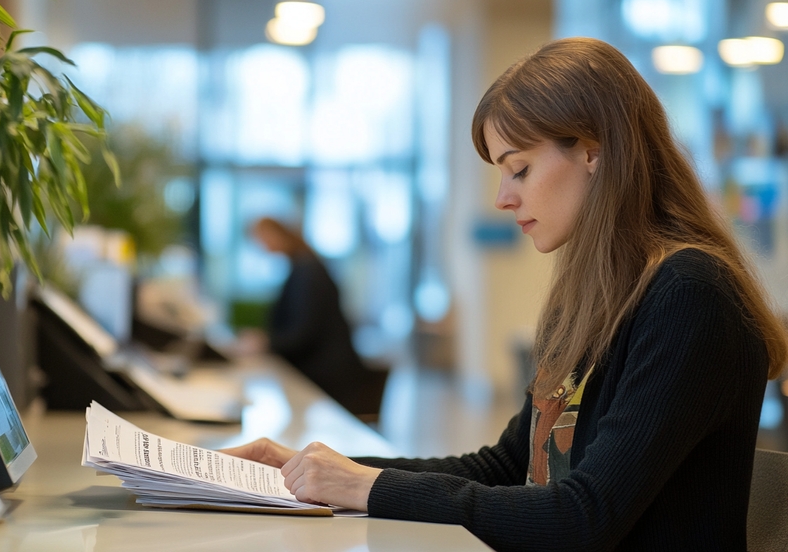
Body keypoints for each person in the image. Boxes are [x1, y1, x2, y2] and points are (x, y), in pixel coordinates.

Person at [222, 37, 788, 551]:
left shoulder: (690, 296)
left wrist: (367, 486)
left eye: (518, 169)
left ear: (595, 151)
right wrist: (309, 470)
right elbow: (504, 466)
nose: (502, 198)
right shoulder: (592, 297)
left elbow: (586, 516)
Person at [248, 217, 384, 417]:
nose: (261, 245)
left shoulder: (307, 271)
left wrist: (266, 343)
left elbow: (304, 332)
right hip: (325, 370)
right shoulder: (304, 266)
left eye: (261, 238)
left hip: (325, 375)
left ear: (278, 234)